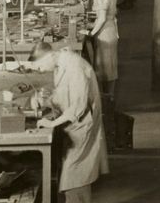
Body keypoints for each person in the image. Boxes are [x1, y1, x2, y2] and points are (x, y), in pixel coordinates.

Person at [30, 42, 109, 203]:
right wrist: (43, 100)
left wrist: (52, 123)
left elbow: (78, 106)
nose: (40, 70)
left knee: (75, 177)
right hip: (73, 125)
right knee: (71, 175)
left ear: (50, 55)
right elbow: (64, 94)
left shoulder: (75, 67)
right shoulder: (60, 62)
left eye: (40, 66)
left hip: (82, 124)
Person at [82, 0, 119, 100]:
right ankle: (109, 97)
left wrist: (91, 32)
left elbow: (102, 18)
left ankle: (108, 99)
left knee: (105, 68)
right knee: (109, 66)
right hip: (110, 29)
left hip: (105, 33)